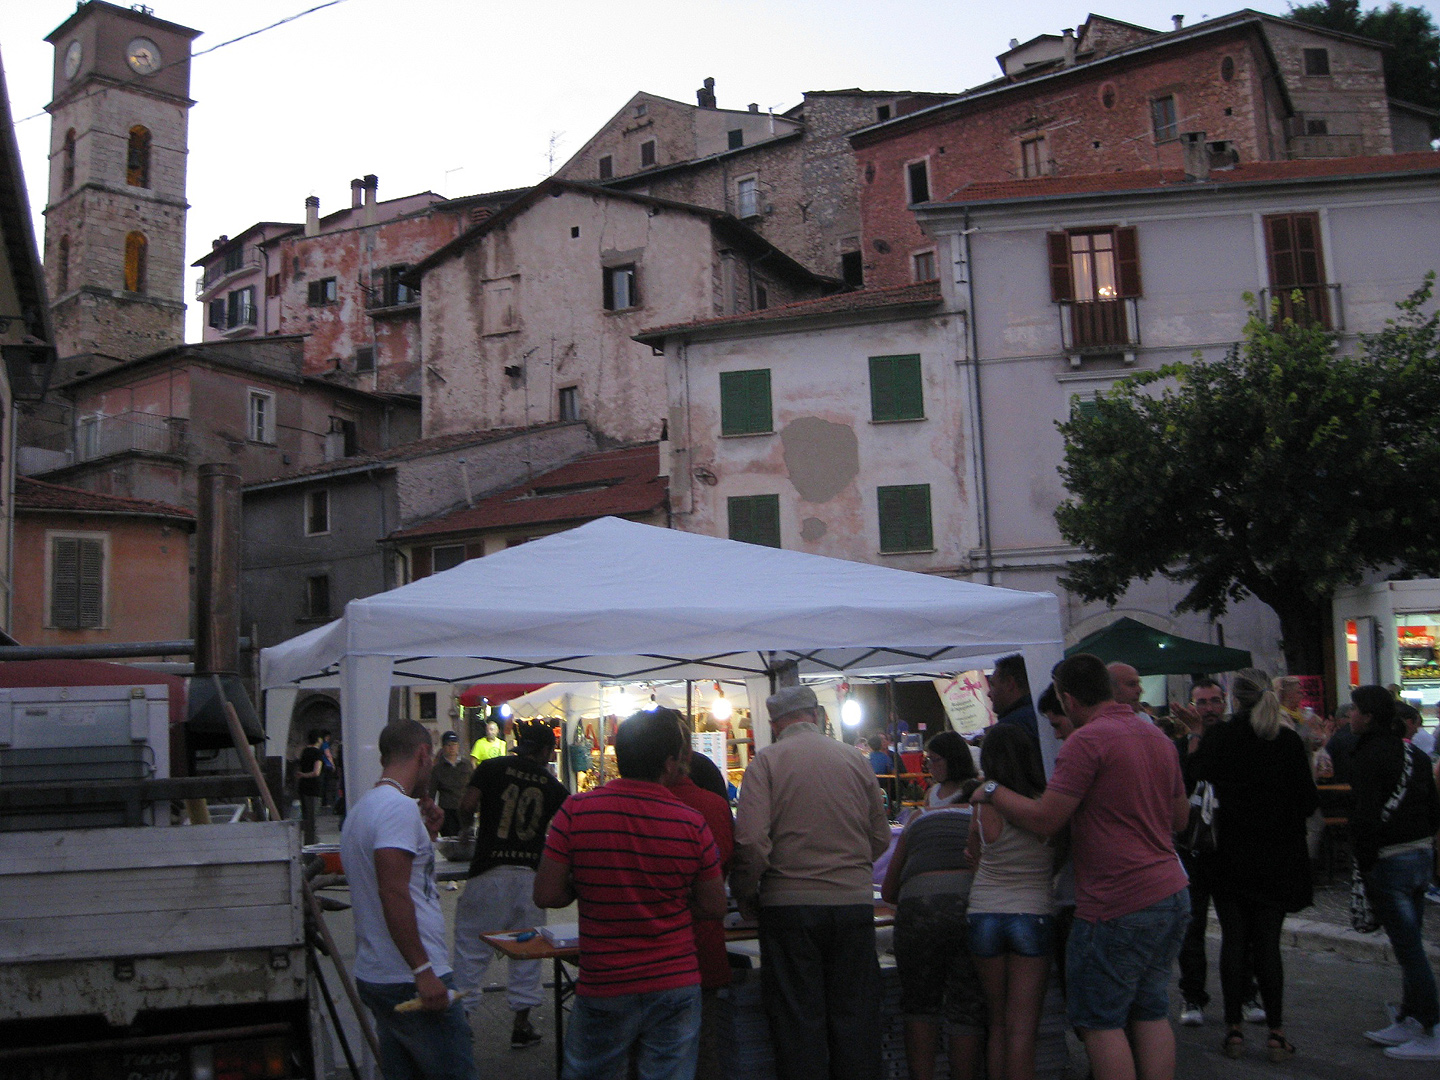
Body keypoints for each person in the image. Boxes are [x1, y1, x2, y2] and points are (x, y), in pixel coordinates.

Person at [970, 653, 1190, 1080]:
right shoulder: (1157, 738)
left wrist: (991, 789)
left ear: (1068, 699)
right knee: (1150, 1012)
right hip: (1171, 889)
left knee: (1100, 1023)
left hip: (1115, 899)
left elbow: (1046, 820)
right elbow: (1179, 820)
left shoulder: (1086, 743)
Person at [534, 710, 725, 1080]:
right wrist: (673, 897)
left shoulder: (575, 811)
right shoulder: (690, 822)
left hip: (605, 979)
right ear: (670, 763)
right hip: (675, 979)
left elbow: (546, 893)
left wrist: (587, 883)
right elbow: (714, 906)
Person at [731, 685, 892, 1080]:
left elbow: (751, 841)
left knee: (797, 1023)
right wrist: (849, 867)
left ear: (774, 723)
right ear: (817, 714)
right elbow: (880, 835)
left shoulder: (766, 762)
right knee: (855, 1021)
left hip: (789, 907)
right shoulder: (856, 760)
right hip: (852, 905)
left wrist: (747, 891)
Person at [1192, 669, 1317, 1062]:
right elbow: (1308, 801)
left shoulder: (1220, 738)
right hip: (1277, 856)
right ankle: (1277, 1031)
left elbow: (1193, 781)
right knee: (1267, 944)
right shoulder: (1287, 741)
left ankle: (1233, 1029)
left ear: (1234, 698)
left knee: (1233, 939)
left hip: (1230, 854)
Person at [339, 720, 474, 1080]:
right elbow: (393, 891)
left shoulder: (363, 809)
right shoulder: (396, 809)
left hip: (379, 973)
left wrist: (425, 834)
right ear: (422, 755)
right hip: (408, 976)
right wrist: (423, 971)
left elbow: (402, 879)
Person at [452, 718, 568, 1050]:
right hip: (531, 877)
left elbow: (467, 805)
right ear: (546, 750)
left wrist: (464, 831)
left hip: (489, 870)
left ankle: (462, 1023)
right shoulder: (555, 787)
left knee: (471, 950)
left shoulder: (490, 768)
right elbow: (562, 831)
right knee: (527, 952)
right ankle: (522, 1025)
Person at [880, 730, 983, 1080]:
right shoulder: (982, 810)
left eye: (934, 759)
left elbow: (890, 890)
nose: (929, 766)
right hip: (967, 909)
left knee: (920, 1006)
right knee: (965, 1008)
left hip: (918, 911)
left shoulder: (919, 819)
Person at [1349, 685, 1440, 1060]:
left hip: (1390, 860)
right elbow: (1432, 805)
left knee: (1409, 949)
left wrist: (1366, 861)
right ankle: (1410, 1016)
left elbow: (1365, 814)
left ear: (1369, 715)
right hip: (1419, 855)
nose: (1348, 716)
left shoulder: (1368, 756)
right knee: (1411, 943)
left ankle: (1432, 1026)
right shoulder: (1413, 753)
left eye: (1354, 710)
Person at [1171, 676, 1263, 1028]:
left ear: (1224, 702)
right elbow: (1182, 786)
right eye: (1202, 702)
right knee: (1191, 927)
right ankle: (1193, 996)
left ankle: (1245, 992)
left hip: (1230, 847)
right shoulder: (1180, 748)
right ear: (1191, 706)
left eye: (1213, 701)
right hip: (1190, 849)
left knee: (1238, 928)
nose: (1208, 709)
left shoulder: (1237, 741)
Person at [965, 723, 1055, 1080]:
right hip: (1032, 912)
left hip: (984, 912)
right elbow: (1062, 851)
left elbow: (972, 854)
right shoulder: (1046, 803)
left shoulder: (982, 805)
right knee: (1023, 1029)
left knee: (998, 1022)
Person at [657, 709, 736, 1080]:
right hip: (700, 952)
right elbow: (719, 890)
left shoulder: (609, 809)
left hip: (634, 960)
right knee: (702, 1052)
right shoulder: (714, 808)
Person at [429, 731, 474, 838]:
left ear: (458, 746)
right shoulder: (438, 769)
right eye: (448, 745)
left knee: (467, 840)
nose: (452, 748)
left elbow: (473, 786)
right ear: (443, 747)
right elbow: (432, 792)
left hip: (465, 810)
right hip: (447, 811)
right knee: (450, 841)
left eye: (454, 744)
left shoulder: (466, 765)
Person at [988, 654, 1039, 742]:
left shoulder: (1007, 729)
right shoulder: (1043, 715)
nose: (988, 693)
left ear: (1009, 683)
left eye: (993, 685)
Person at [296, 729, 325, 847]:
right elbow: (316, 772)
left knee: (306, 818)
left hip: (303, 787)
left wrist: (302, 775)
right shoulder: (318, 753)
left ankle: (307, 843)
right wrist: (305, 775)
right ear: (318, 739)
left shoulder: (304, 752)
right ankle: (314, 844)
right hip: (314, 788)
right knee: (313, 819)